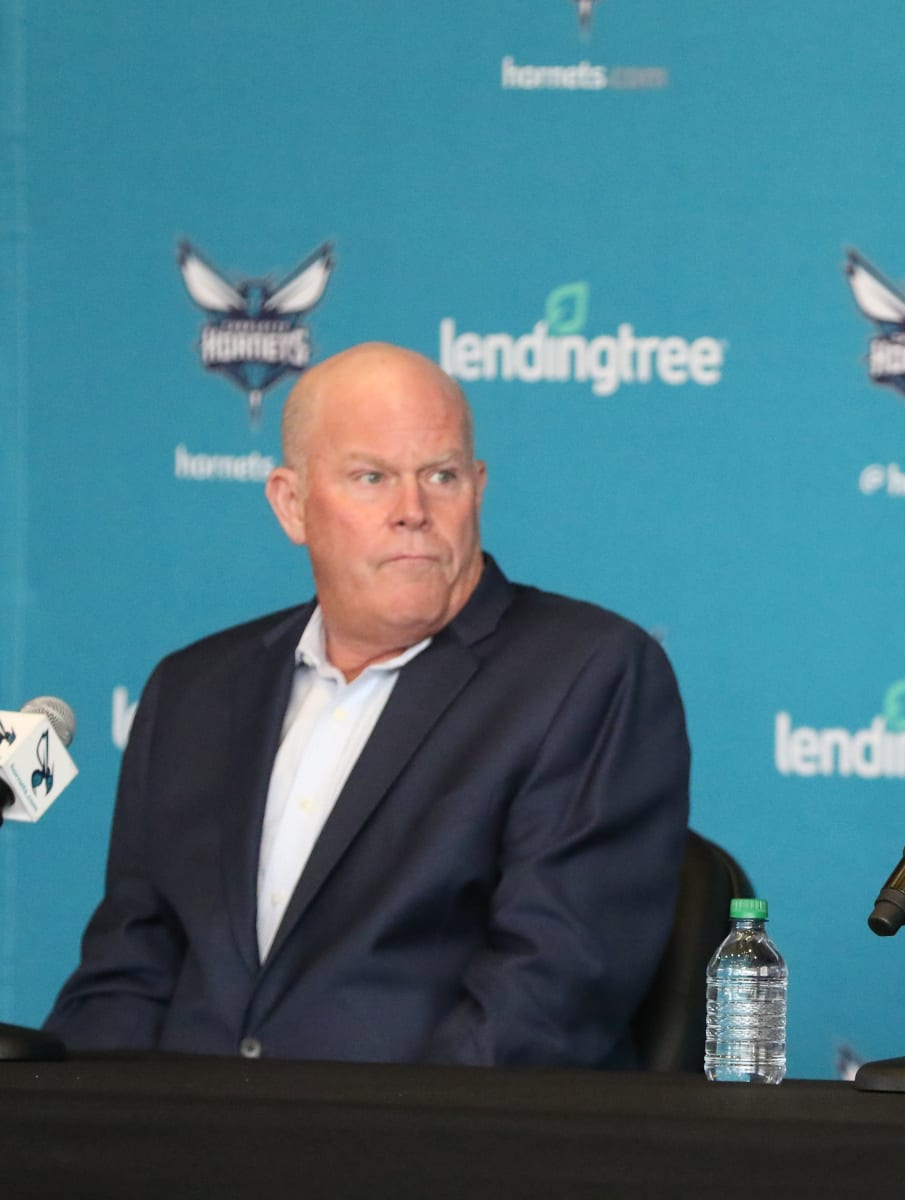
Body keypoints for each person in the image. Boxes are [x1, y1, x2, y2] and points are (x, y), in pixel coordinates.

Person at [47, 342, 689, 1067]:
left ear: (477, 489)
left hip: (421, 1130)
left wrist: (361, 1133)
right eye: (371, 477)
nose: (413, 511)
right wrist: (92, 1122)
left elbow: (549, 992)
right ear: (291, 504)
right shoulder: (193, 691)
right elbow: (128, 971)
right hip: (178, 1131)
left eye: (441, 476)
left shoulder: (586, 673)